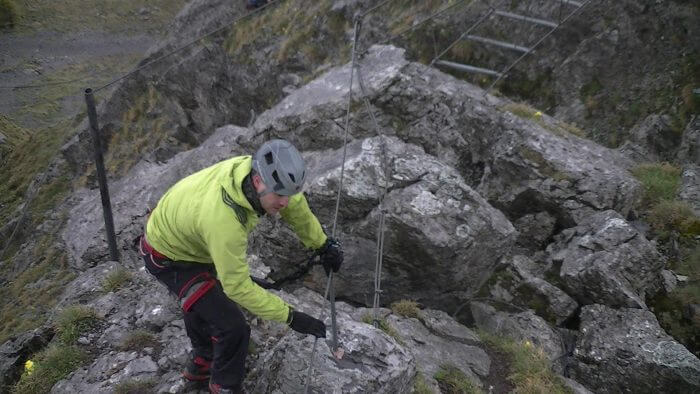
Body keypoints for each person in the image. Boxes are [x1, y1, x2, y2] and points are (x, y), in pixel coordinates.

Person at [138, 139, 343, 394]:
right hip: (168, 256)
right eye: (280, 195)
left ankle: (201, 364)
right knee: (232, 327)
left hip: (187, 236)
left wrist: (322, 244)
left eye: (288, 194)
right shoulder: (224, 220)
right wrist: (291, 316)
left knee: (208, 304)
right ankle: (224, 386)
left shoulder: (256, 174)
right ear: (258, 182)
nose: (285, 202)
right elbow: (237, 287)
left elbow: (296, 207)